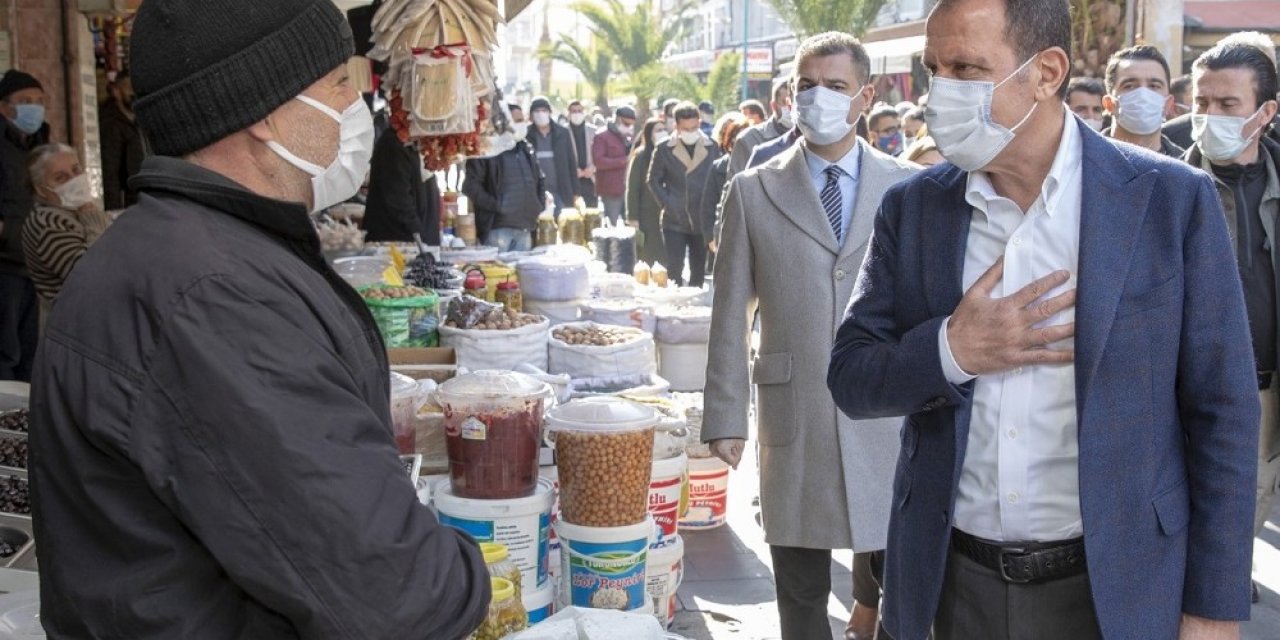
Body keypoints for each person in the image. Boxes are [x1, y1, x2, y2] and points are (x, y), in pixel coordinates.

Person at [28, 0, 492, 636]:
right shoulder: (212, 298)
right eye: (338, 84)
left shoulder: (193, 251)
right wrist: (475, 573)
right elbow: (395, 595)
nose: (354, 105)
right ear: (267, 115)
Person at [826, 0, 1259, 638]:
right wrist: (954, 350)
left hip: (1116, 587)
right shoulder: (914, 209)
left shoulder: (1171, 201)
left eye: (968, 67)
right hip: (950, 584)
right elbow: (853, 375)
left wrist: (1214, 608)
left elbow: (1223, 409)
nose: (942, 90)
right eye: (934, 68)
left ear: (1048, 71)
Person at [705, 32, 919, 640]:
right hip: (793, 408)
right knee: (799, 589)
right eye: (806, 85)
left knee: (895, 576)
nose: (817, 97)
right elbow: (729, 312)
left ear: (865, 96)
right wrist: (724, 415)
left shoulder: (906, 186)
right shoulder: (755, 188)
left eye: (835, 86)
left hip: (885, 409)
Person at [1182, 31, 1280, 606]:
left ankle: (1223, 584)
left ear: (1265, 112)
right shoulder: (1161, 181)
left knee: (1252, 496)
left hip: (1265, 390)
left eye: (1227, 106)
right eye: (1201, 103)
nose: (1209, 117)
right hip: (1189, 391)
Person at [20, 144, 113, 321]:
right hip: (77, 325)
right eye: (61, 178)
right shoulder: (47, 222)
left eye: (76, 170)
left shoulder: (79, 210)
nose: (74, 180)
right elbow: (90, 276)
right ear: (41, 189)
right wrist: (94, 223)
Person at [0, 70, 49, 382]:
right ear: (4, 107)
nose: (34, 108)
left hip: (32, 260)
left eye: (39, 101)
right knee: (6, 352)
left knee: (30, 354)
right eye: (25, 101)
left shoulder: (40, 142)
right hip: (4, 264)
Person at [647, 101, 720, 288]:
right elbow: (653, 180)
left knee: (698, 271)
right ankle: (674, 310)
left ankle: (692, 313)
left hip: (701, 219)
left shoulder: (712, 147)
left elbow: (718, 181)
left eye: (695, 127)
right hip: (674, 219)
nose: (691, 132)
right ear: (677, 126)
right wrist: (668, 203)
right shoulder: (664, 148)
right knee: (674, 269)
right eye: (686, 129)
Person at [463, 109, 547, 251]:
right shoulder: (487, 148)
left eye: (522, 120)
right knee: (497, 272)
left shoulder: (526, 147)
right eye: (516, 120)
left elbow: (540, 178)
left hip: (525, 228)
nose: (521, 124)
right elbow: (470, 186)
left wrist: (538, 205)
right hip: (497, 229)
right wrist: (497, 205)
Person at [363, 123, 442, 245]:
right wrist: (420, 239)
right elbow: (399, 200)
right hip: (397, 244)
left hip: (419, 241)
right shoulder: (393, 143)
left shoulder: (420, 143)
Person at [1102, 45, 1184, 158]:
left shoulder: (1188, 166)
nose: (1143, 94)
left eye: (1154, 86)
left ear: (1168, 104)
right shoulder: (1082, 159)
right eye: (1130, 86)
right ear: (1109, 104)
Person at [730, 77, 794, 176]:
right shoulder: (749, 139)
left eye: (794, 102)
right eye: (785, 103)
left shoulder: (811, 138)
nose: (790, 108)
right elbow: (735, 185)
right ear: (773, 106)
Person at [99, 72, 145, 210]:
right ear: (116, 92)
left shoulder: (139, 123)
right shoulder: (110, 125)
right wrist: (115, 210)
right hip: (126, 202)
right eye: (129, 88)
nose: (133, 93)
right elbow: (110, 172)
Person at [627, 118, 668, 265]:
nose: (662, 133)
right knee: (647, 252)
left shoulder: (669, 154)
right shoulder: (640, 156)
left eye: (664, 129)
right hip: (646, 214)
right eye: (658, 130)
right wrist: (632, 217)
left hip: (666, 211)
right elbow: (632, 188)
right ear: (649, 134)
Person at [527, 96, 576, 214]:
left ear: (549, 113)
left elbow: (571, 162)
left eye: (544, 111)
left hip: (560, 190)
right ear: (531, 115)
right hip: (536, 193)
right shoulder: (526, 135)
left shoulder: (562, 133)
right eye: (537, 111)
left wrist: (576, 191)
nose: (540, 114)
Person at [591, 105, 636, 224]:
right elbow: (599, 161)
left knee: (630, 225)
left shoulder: (628, 136)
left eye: (631, 125)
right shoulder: (602, 136)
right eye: (626, 124)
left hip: (628, 189)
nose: (629, 127)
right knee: (612, 225)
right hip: (610, 190)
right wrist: (624, 161)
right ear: (618, 119)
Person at [567, 100, 597, 207]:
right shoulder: (563, 132)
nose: (576, 114)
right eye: (573, 111)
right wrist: (573, 170)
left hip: (591, 180)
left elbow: (598, 154)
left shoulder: (593, 131)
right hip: (572, 181)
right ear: (568, 113)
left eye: (579, 111)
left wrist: (593, 168)